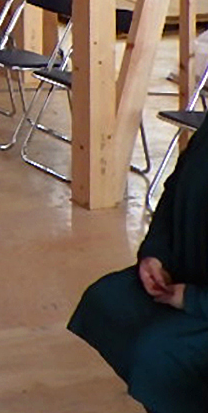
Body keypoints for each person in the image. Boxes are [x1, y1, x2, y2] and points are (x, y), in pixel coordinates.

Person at [69, 122, 208, 413]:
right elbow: (175, 190)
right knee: (108, 300)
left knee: (158, 350)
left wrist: (193, 300)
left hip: (200, 302)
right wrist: (156, 255)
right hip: (184, 276)